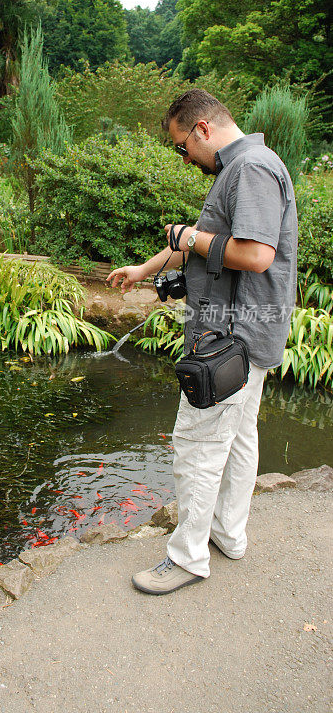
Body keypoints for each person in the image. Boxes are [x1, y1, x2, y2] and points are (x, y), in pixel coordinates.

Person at [107, 89, 298, 595]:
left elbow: (255, 255)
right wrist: (145, 269)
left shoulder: (251, 169)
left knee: (196, 443)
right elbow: (200, 239)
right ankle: (227, 535)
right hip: (240, 334)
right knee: (237, 440)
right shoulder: (235, 169)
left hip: (231, 338)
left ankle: (188, 557)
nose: (183, 157)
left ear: (203, 129)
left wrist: (191, 240)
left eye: (181, 146)